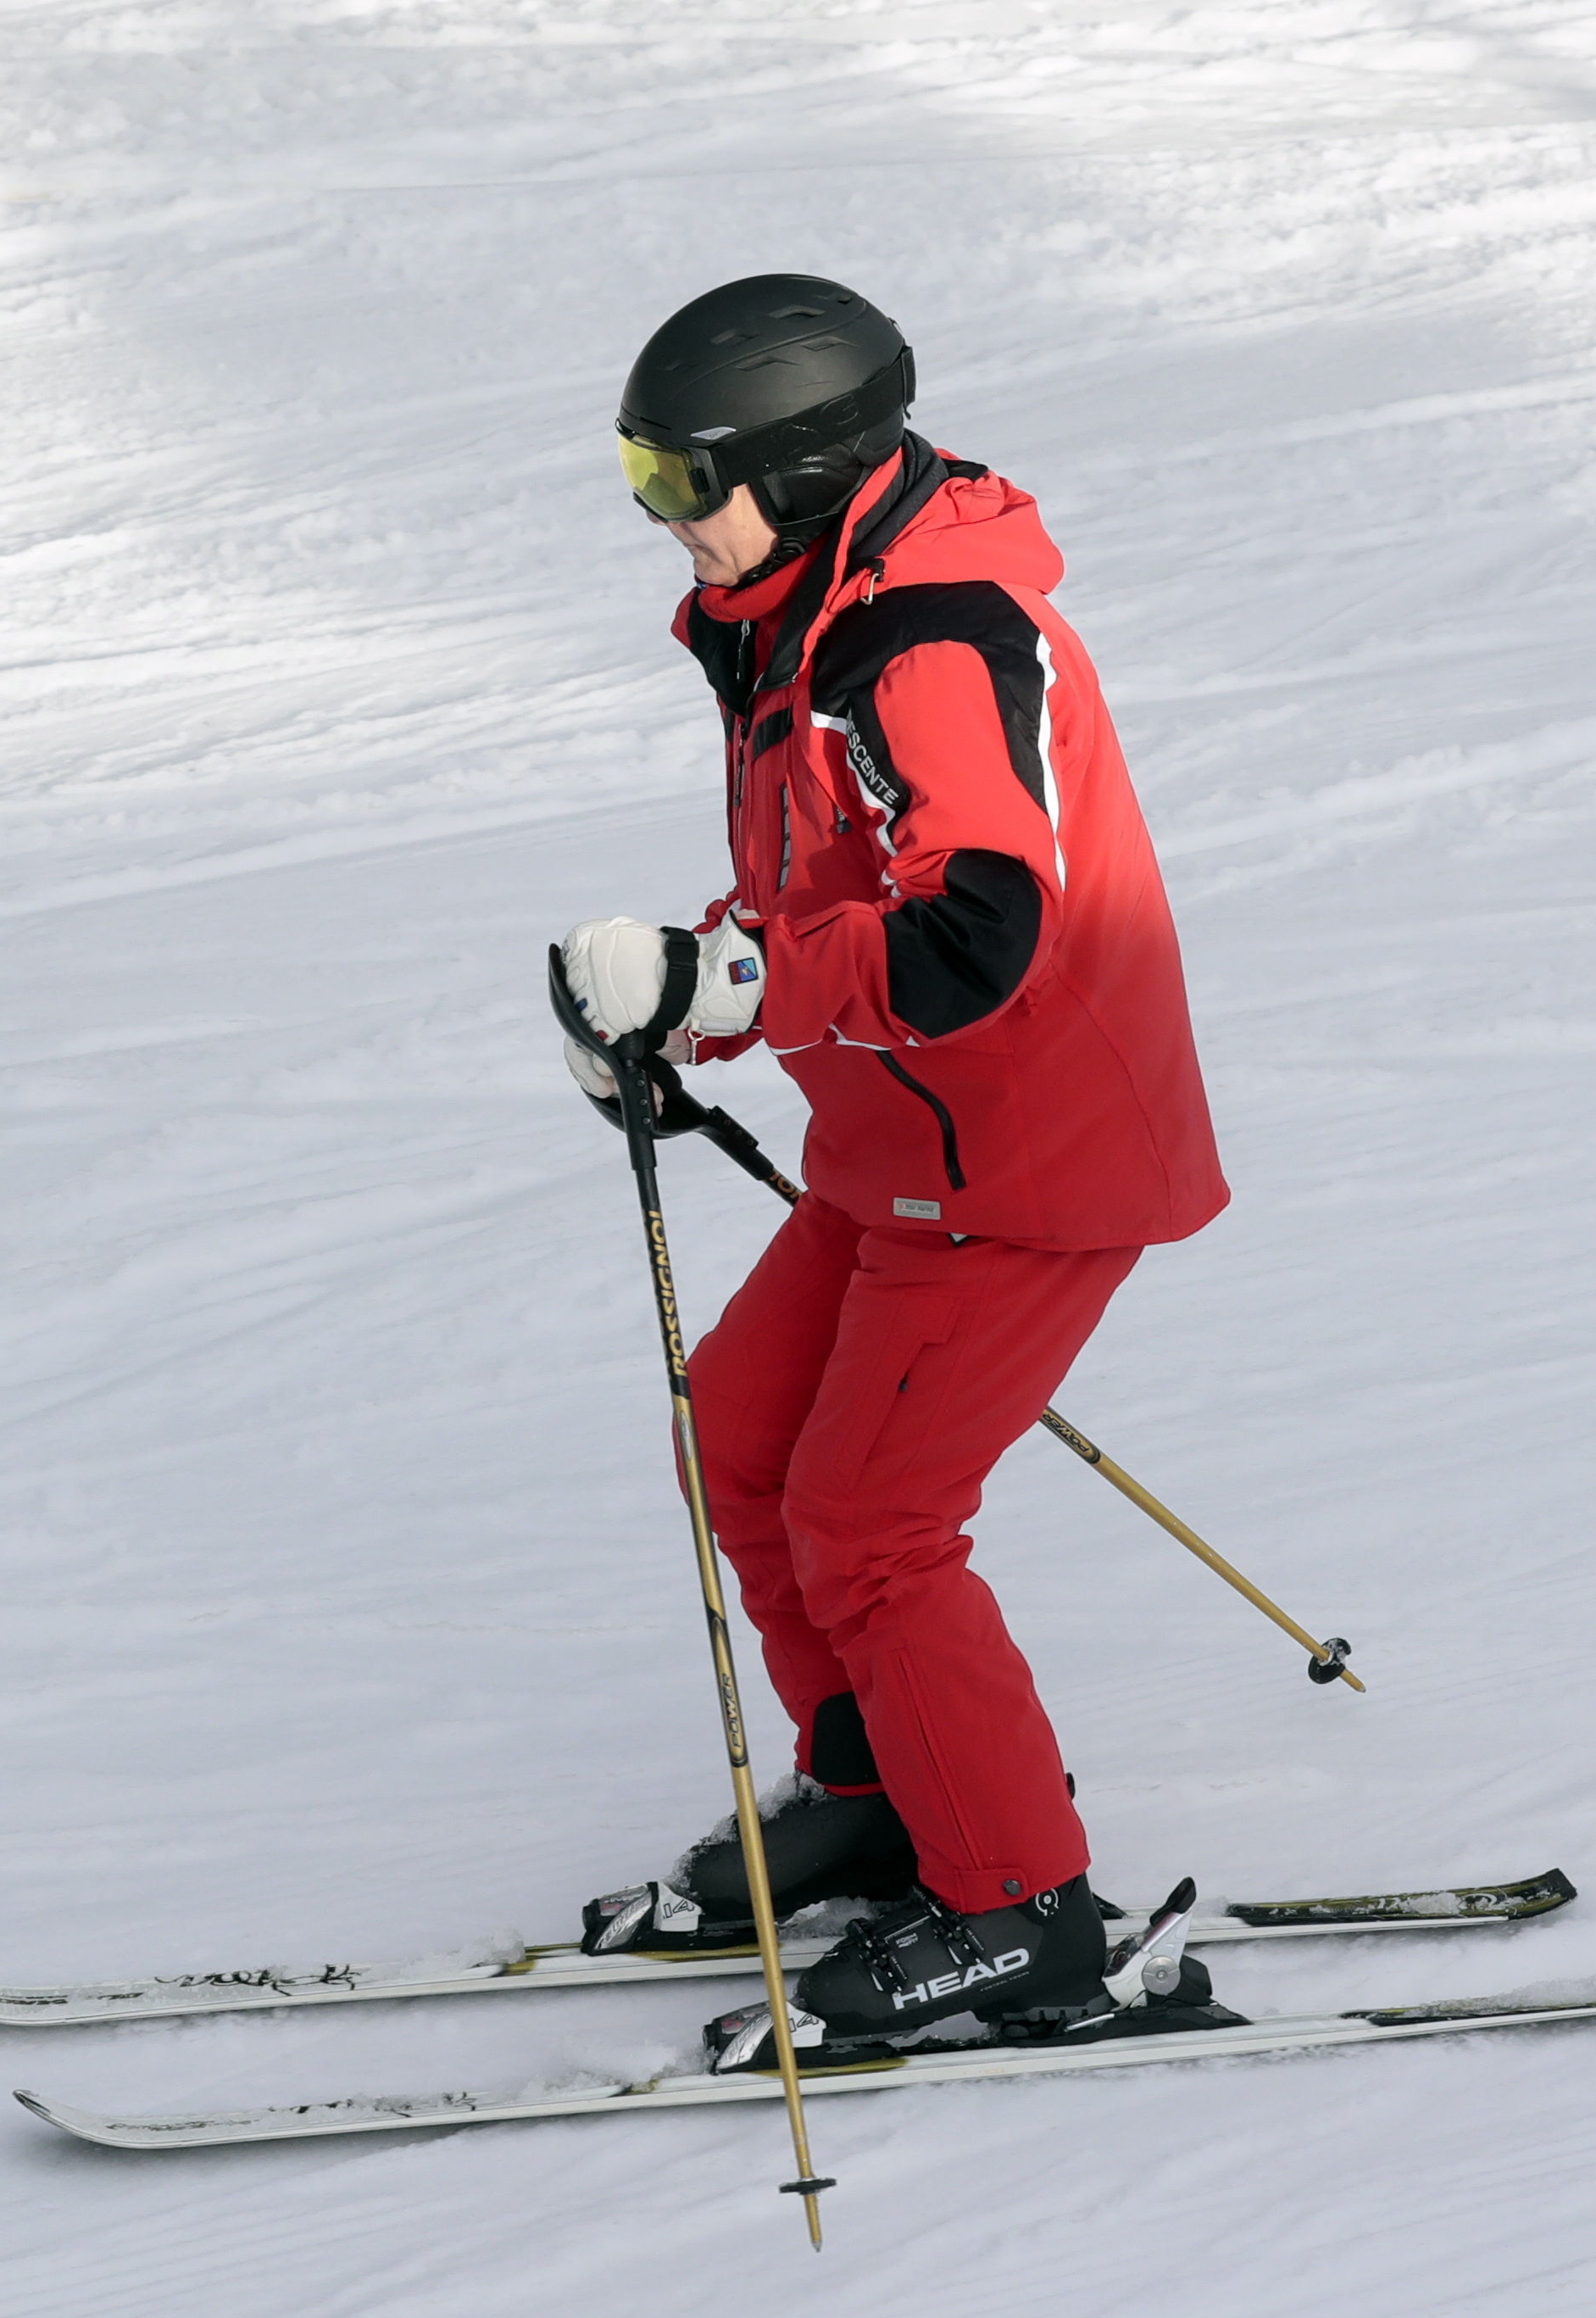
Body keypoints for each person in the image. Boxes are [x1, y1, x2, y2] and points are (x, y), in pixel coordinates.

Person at [556, 274, 1229, 2054]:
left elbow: (974, 932)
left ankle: (1021, 1910)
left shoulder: (925, 638)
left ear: (796, 470)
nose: (658, 514)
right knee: (746, 1435)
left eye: (675, 476)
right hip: (896, 1143)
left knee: (871, 1523)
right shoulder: (797, 609)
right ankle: (872, 1791)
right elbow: (819, 884)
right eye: (638, 471)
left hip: (1028, 1157)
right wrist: (684, 1002)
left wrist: (742, 985)